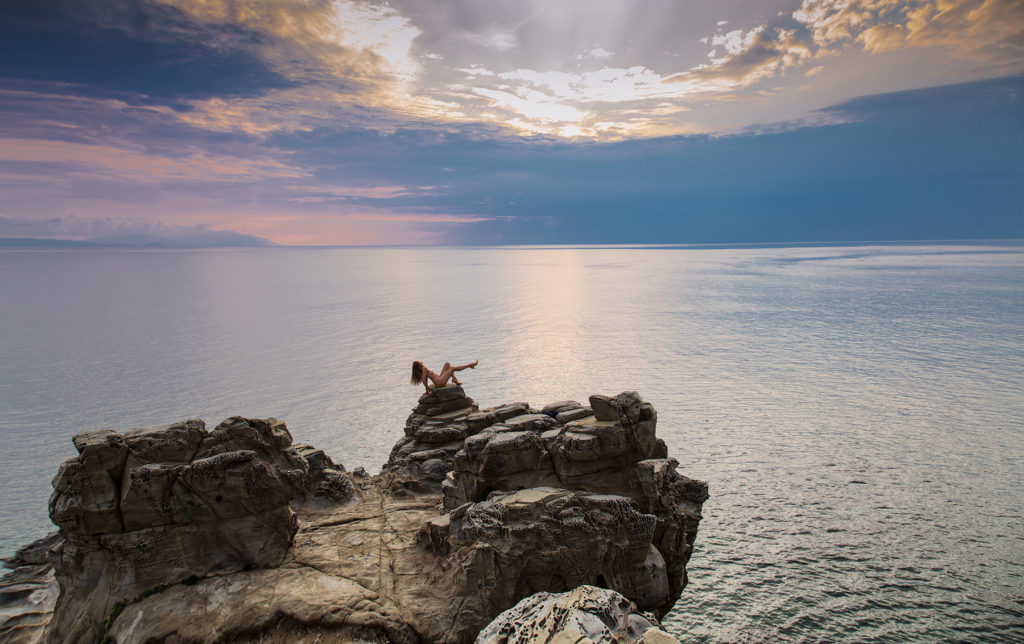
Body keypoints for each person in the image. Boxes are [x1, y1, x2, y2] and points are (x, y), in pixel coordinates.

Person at [411, 359, 478, 395]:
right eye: (418, 361)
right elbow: (423, 380)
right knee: (452, 369)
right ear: (418, 364)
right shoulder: (424, 368)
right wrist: (428, 390)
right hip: (440, 382)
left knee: (447, 364)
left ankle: (455, 380)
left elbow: (425, 380)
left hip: (440, 379)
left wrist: (427, 391)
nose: (420, 361)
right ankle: (469, 365)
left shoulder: (423, 369)